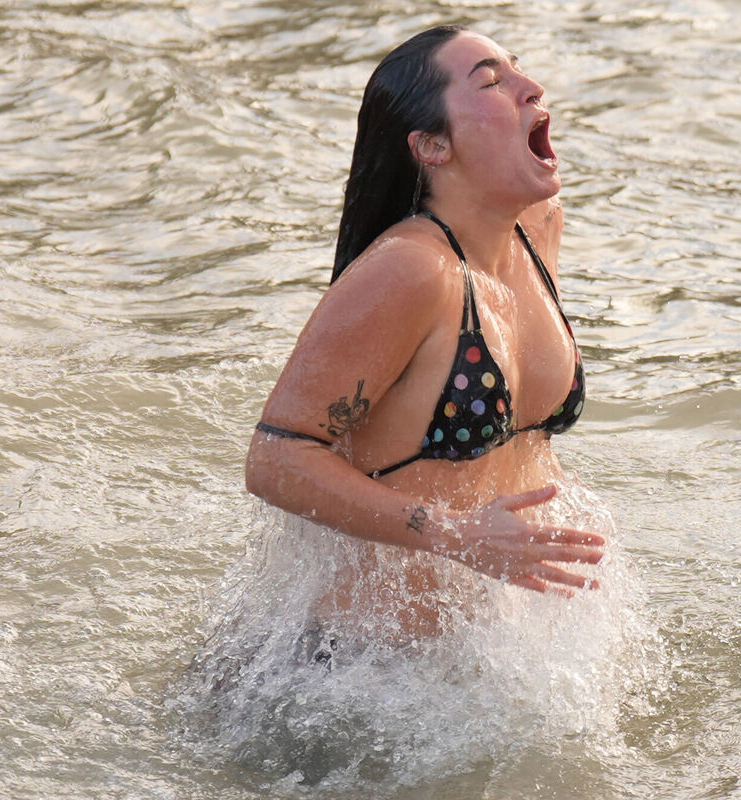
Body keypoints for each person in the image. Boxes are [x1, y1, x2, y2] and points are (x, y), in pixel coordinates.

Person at [244, 25, 605, 640]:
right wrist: (453, 534)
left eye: (519, 70)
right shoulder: (410, 270)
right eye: (493, 82)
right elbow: (275, 460)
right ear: (433, 146)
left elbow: (516, 443)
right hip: (350, 668)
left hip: (485, 655)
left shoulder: (537, 228)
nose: (533, 88)